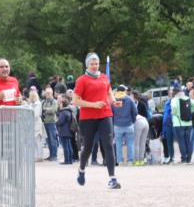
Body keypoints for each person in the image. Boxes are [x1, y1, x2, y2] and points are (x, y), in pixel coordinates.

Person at [72, 53, 120, 189]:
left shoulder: (105, 77)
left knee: (109, 145)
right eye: (92, 64)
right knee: (88, 147)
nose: (94, 66)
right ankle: (81, 170)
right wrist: (93, 105)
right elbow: (75, 101)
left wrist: (114, 102)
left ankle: (113, 178)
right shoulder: (82, 80)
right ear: (87, 65)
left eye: (96, 63)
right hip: (88, 117)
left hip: (105, 114)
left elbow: (109, 93)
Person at [171, 86, 194, 164]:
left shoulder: (174, 99)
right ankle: (189, 158)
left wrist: (174, 112)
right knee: (188, 141)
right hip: (188, 123)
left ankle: (184, 158)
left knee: (181, 141)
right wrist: (191, 110)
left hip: (178, 123)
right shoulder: (187, 98)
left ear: (174, 93)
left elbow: (174, 107)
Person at [111, 85, 137, 165]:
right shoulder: (129, 99)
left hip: (117, 125)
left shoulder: (113, 100)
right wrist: (133, 120)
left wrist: (114, 122)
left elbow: (111, 113)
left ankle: (120, 161)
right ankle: (130, 161)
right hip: (129, 124)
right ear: (124, 91)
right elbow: (135, 111)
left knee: (118, 144)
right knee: (130, 143)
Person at [26, 87, 46, 161]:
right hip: (32, 124)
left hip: (37, 124)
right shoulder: (31, 103)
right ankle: (35, 156)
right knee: (33, 141)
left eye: (31, 96)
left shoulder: (38, 103)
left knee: (38, 140)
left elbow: (36, 114)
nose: (30, 97)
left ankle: (40, 157)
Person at [41, 87, 60, 162]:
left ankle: (54, 156)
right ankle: (50, 155)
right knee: (48, 140)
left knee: (53, 139)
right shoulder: (43, 101)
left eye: (49, 93)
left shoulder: (54, 101)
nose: (47, 94)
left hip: (52, 123)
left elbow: (53, 110)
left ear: (52, 93)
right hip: (45, 122)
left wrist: (45, 110)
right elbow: (41, 110)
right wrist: (47, 110)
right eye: (46, 93)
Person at [56, 97, 76, 164]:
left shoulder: (63, 112)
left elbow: (60, 122)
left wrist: (56, 122)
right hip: (69, 131)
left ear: (62, 104)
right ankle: (70, 160)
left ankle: (67, 160)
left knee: (65, 147)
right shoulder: (69, 111)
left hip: (64, 131)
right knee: (69, 146)